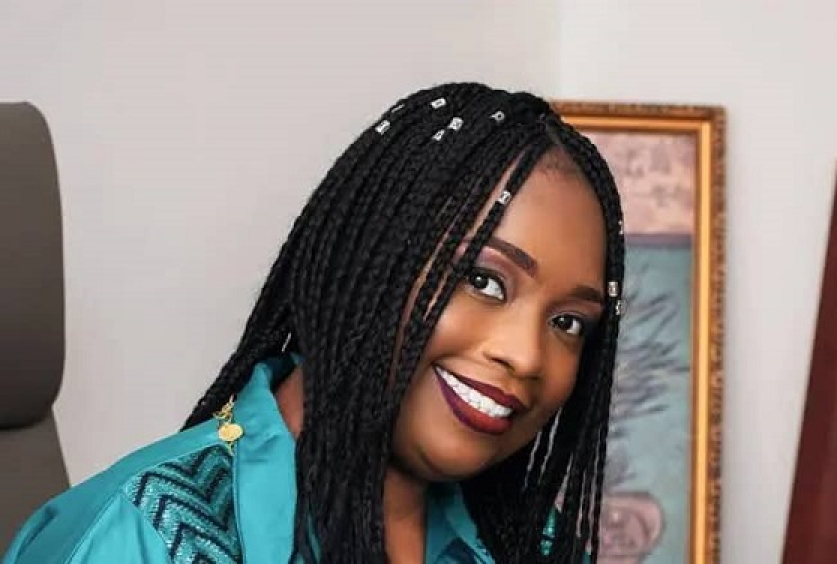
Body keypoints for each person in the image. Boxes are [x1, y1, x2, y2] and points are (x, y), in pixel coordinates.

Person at [3, 82, 625, 563]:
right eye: (484, 280)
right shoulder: (144, 537)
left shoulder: (529, 541)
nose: (527, 355)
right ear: (369, 258)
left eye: (569, 322)